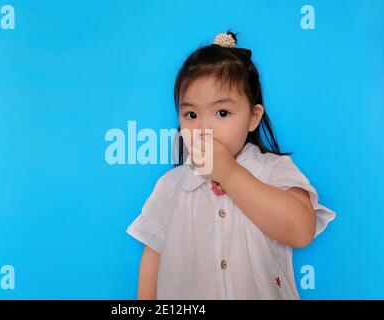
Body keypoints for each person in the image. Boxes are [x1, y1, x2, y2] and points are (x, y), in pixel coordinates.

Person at [126, 31, 336, 299]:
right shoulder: (171, 185)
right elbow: (153, 255)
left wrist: (229, 171)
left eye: (222, 113)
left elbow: (301, 230)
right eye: (191, 114)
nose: (203, 128)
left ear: (253, 117)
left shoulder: (274, 170)